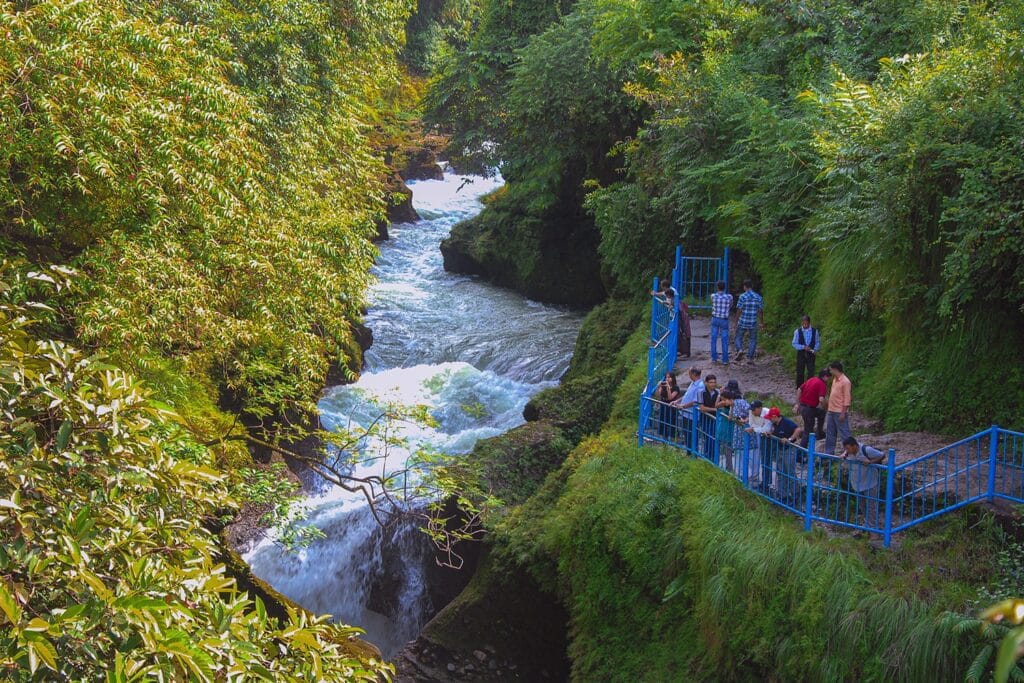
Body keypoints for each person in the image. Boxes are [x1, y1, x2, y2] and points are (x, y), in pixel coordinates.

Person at [842, 436, 886, 527]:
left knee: (871, 506)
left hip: (870, 482)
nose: (847, 450)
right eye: (845, 449)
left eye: (848, 448)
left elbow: (882, 455)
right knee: (862, 506)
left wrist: (871, 462)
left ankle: (873, 530)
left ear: (854, 446)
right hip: (857, 483)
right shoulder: (848, 452)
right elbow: (846, 451)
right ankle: (869, 524)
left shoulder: (867, 450)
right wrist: (844, 453)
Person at [767, 407, 803, 503]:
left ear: (775, 416)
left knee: (789, 472)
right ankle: (782, 495)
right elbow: (774, 431)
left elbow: (798, 429)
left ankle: (795, 495)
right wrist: (770, 433)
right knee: (780, 472)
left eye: (770, 417)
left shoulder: (786, 422)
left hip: (789, 450)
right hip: (780, 449)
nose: (770, 419)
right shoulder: (775, 424)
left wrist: (790, 439)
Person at [794, 368, 829, 449]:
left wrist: (797, 403)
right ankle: (801, 452)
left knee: (821, 413)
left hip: (804, 407)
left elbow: (799, 389)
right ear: (824, 377)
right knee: (808, 430)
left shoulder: (812, 379)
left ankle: (819, 432)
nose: (829, 379)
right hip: (809, 409)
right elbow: (821, 399)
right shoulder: (822, 384)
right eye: (828, 377)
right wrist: (826, 407)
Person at [824, 361, 853, 455]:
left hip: (839, 411)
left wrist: (843, 413)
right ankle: (829, 452)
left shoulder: (845, 381)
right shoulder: (835, 379)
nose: (830, 371)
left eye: (831, 369)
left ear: (835, 369)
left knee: (844, 433)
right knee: (830, 433)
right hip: (831, 410)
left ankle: (849, 451)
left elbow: (847, 398)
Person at [734, 279, 764, 364]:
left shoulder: (742, 297)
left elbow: (739, 309)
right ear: (751, 286)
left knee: (738, 337)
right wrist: (761, 322)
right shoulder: (758, 297)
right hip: (753, 322)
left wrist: (736, 321)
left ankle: (739, 350)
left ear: (745, 287)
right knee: (753, 339)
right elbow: (760, 311)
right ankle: (750, 358)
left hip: (743, 321)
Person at [675, 366, 704, 449]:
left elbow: (696, 401)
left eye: (689, 373)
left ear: (694, 374)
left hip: (692, 415)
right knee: (686, 433)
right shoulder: (693, 383)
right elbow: (687, 395)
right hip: (686, 413)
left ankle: (693, 453)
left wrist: (683, 406)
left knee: (691, 435)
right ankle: (689, 451)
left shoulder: (700, 386)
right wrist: (677, 401)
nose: (689, 375)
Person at [746, 401, 774, 488]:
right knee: (764, 458)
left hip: (770, 437)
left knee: (767, 459)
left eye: (754, 410)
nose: (752, 412)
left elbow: (766, 428)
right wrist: (757, 428)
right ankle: (765, 481)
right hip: (761, 436)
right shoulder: (752, 411)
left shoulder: (767, 412)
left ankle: (767, 482)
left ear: (760, 408)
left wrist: (754, 429)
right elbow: (751, 424)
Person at [792, 315, 821, 387]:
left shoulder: (815, 331)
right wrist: (803, 347)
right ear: (801, 322)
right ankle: (800, 388)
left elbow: (817, 342)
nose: (805, 324)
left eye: (806, 323)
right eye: (803, 323)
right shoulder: (797, 331)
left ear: (809, 322)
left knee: (811, 372)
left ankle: (809, 387)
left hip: (811, 354)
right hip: (801, 354)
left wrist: (815, 349)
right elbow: (794, 343)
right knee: (800, 372)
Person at [710, 280, 733, 365]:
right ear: (725, 287)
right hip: (724, 319)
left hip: (715, 318)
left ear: (717, 287)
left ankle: (714, 357)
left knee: (713, 338)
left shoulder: (713, 296)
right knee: (725, 339)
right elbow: (730, 305)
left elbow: (712, 303)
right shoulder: (729, 297)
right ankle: (725, 359)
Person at [653, 372, 681, 440]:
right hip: (663, 407)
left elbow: (670, 398)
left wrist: (668, 388)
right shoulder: (663, 386)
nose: (667, 379)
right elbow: (657, 396)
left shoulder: (676, 388)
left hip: (671, 408)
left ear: (673, 378)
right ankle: (664, 441)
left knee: (671, 424)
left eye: (669, 377)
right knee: (663, 423)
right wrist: (658, 387)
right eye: (666, 377)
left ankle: (672, 440)